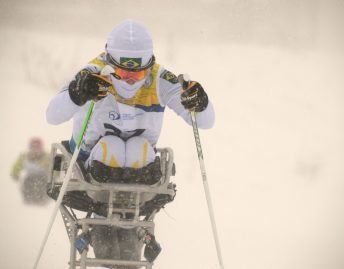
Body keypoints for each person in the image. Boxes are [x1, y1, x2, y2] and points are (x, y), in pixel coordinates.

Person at [46, 19, 215, 266]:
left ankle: (127, 245)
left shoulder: (160, 78)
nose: (130, 80)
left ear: (149, 65)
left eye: (137, 73)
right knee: (111, 147)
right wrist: (77, 93)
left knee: (138, 150)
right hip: (90, 166)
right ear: (109, 62)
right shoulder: (93, 73)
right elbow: (52, 115)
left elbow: (206, 121)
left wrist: (200, 103)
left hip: (137, 170)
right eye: (123, 73)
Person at [10, 137, 50, 205]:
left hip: (43, 178)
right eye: (33, 147)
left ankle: (43, 200)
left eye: (37, 147)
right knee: (27, 183)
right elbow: (17, 166)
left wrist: (54, 176)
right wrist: (15, 173)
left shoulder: (47, 156)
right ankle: (28, 200)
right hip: (29, 178)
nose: (35, 150)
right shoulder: (24, 156)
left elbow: (53, 167)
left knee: (43, 185)